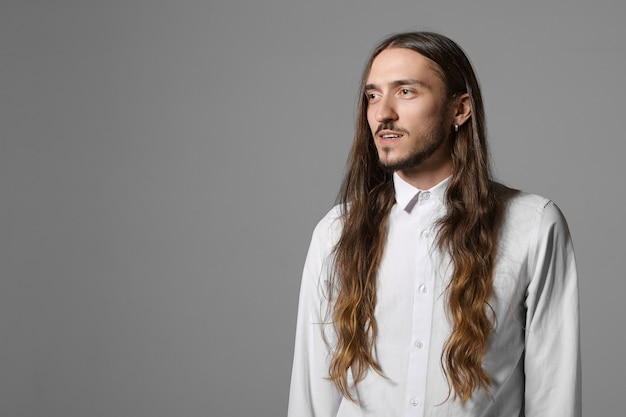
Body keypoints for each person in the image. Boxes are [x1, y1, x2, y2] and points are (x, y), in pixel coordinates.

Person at [287, 31, 581, 417]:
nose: (382, 112)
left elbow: (554, 396)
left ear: (459, 109)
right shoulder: (335, 231)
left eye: (405, 92)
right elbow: (311, 398)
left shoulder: (534, 225)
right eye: (373, 95)